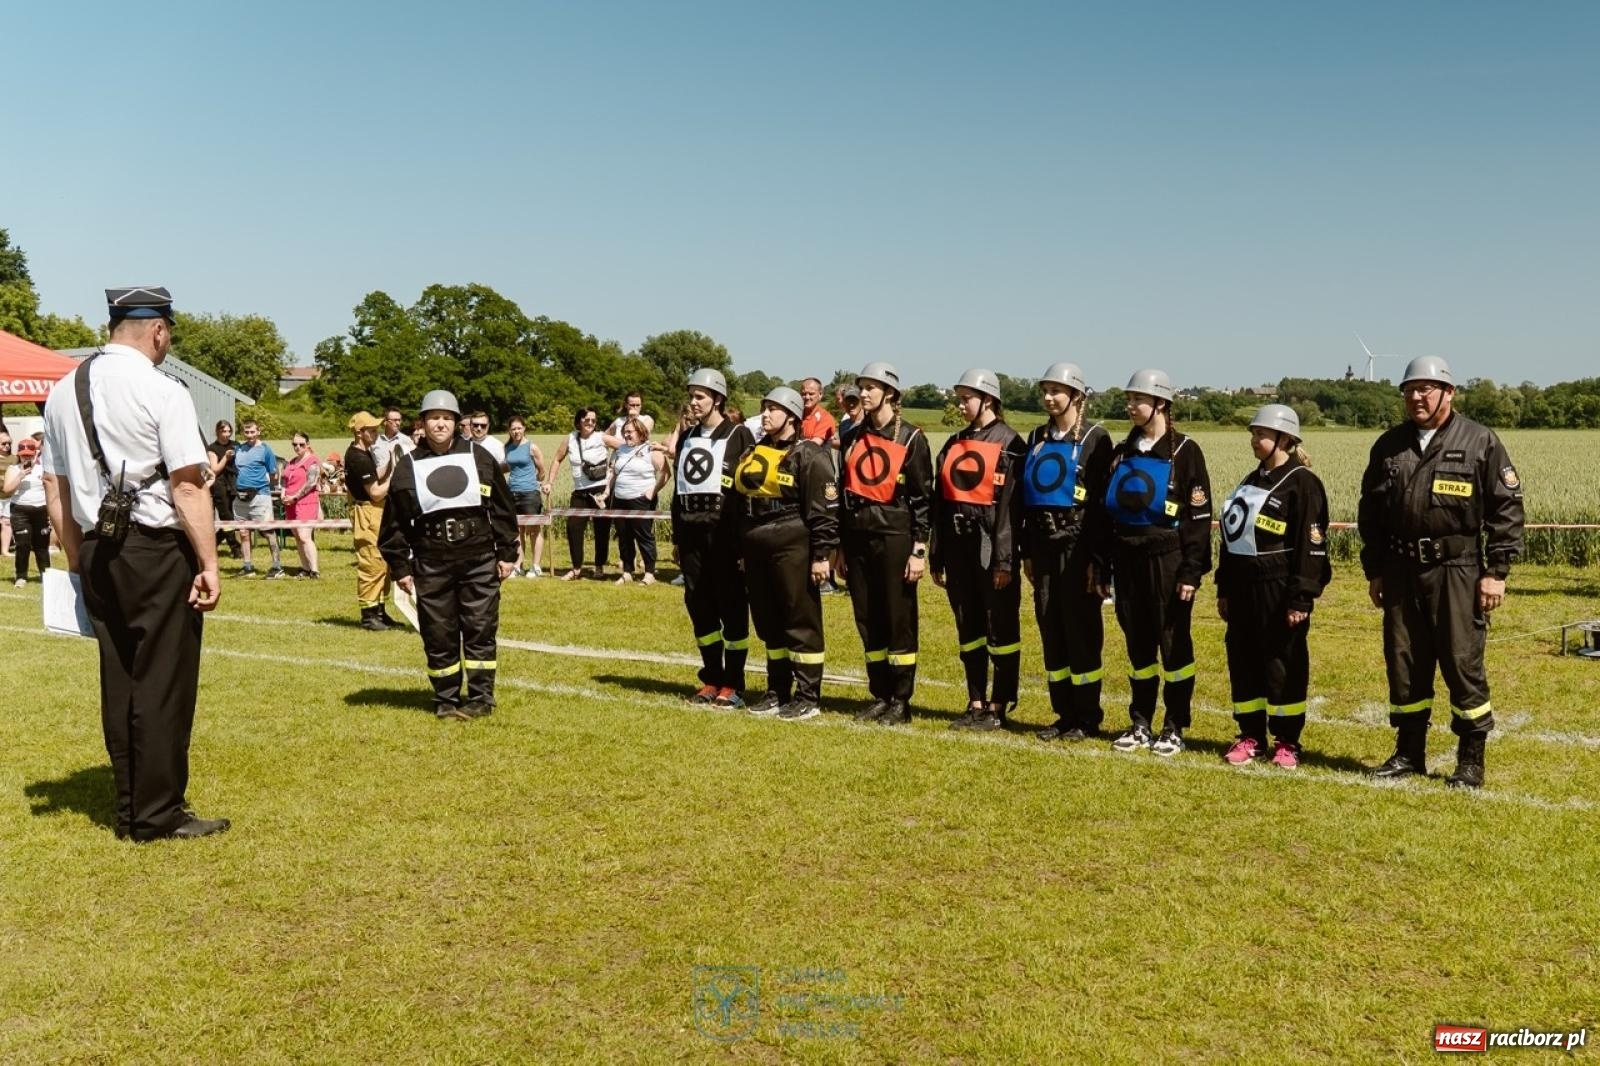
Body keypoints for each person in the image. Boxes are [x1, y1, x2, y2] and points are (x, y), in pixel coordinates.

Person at [41, 285, 227, 841]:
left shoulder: (62, 390)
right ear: (159, 331)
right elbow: (188, 486)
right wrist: (209, 563)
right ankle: (157, 813)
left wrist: (77, 557)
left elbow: (54, 483)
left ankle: (129, 809)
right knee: (162, 679)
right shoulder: (161, 388)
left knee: (120, 677)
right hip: (152, 547)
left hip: (96, 546)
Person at [1358, 356, 1523, 789]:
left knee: (1461, 661)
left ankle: (1470, 759)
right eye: (1410, 390)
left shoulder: (1479, 441)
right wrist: (1375, 568)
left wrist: (1496, 571)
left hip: (1458, 570)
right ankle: (1408, 753)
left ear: (1448, 393)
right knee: (1405, 661)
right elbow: (1369, 512)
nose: (1416, 397)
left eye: (1426, 389)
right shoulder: (1389, 446)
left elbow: (1506, 510)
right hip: (1400, 570)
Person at [379, 390, 518, 720]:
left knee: (479, 629)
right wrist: (401, 567)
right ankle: (446, 698)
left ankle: (482, 697)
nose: (440, 424)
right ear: (422, 424)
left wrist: (507, 553)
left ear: (457, 423)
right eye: (433, 418)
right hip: (431, 564)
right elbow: (393, 524)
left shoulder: (480, 457)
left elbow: (502, 508)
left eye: (446, 418)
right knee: (438, 634)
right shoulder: (407, 466)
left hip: (480, 561)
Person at [1103, 369, 1213, 757]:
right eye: (1129, 399)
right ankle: (1140, 722)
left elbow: (1199, 520)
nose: (1131, 406)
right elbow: (1105, 517)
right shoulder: (1121, 453)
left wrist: (1191, 572)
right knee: (1138, 645)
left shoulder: (1186, 452)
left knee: (1173, 645)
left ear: (1161, 404)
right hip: (1126, 558)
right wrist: (1103, 567)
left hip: (1168, 559)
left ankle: (1174, 725)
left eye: (1138, 399)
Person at [1216, 405, 1331, 768]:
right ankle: (1250, 735)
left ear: (1284, 439)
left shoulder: (1303, 483)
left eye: (1261, 434)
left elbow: (1311, 547)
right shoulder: (1250, 480)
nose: (1254, 440)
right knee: (1243, 659)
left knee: (1282, 663)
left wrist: (1301, 597)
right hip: (1243, 586)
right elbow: (1230, 536)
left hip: (1279, 588)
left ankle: (1287, 740)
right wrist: (1224, 587)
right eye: (1252, 433)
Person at [732, 385, 839, 721]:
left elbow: (823, 510)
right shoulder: (755, 449)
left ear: (791, 416)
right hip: (757, 540)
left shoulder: (809, 454)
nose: (765, 415)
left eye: (773, 409)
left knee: (799, 619)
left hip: (793, 539)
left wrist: (822, 555)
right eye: (764, 408)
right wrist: (744, 548)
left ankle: (808, 695)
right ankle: (777, 690)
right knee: (769, 621)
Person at [834, 362, 933, 725]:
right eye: (862, 387)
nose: (864, 393)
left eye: (872, 387)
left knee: (898, 619)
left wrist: (918, 549)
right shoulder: (852, 437)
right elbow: (844, 495)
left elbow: (923, 499)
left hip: (895, 537)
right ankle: (880, 694)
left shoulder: (911, 438)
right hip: (857, 538)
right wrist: (841, 547)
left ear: (890, 393)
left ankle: (901, 701)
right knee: (867, 618)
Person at [1020, 362, 1115, 742]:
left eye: (1057, 390)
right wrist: (1027, 549)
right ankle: (1063, 712)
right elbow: (1028, 498)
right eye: (1045, 389)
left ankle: (1087, 716)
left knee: (1081, 631)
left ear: (1076, 395)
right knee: (1051, 629)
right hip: (1042, 547)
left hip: (1077, 548)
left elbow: (1101, 507)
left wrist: (1097, 560)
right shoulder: (1037, 437)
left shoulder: (1096, 438)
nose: (1048, 397)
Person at [930, 369, 1028, 731]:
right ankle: (975, 700)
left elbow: (1009, 511)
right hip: (959, 548)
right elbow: (941, 501)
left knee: (999, 628)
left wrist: (1004, 560)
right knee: (967, 625)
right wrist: (937, 553)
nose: (960, 404)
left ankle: (999, 705)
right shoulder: (953, 442)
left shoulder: (1011, 444)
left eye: (966, 397)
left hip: (992, 550)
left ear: (987, 399)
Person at [666, 369, 755, 706]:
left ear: (717, 398)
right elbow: (679, 490)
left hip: (725, 538)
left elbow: (749, 493)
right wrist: (677, 538)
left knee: (732, 609)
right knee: (700, 608)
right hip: (691, 536)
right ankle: (711, 678)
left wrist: (744, 542)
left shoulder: (739, 435)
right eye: (691, 396)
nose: (694, 402)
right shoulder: (687, 437)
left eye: (700, 396)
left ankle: (734, 683)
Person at [345, 411, 400, 631]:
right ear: (360, 433)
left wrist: (389, 466)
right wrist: (394, 477)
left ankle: (379, 611)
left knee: (383, 563)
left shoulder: (361, 453)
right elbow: (376, 492)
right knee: (372, 562)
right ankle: (369, 615)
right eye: (371, 429)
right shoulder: (357, 458)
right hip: (368, 513)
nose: (376, 432)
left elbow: (373, 475)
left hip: (375, 513)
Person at [549, 408, 611, 579]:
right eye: (586, 419)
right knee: (573, 527)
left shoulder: (601, 437)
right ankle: (576, 568)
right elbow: (556, 459)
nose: (590, 422)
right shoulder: (570, 439)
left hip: (600, 491)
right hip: (580, 492)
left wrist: (613, 466)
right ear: (579, 421)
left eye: (593, 420)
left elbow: (625, 446)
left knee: (602, 530)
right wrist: (550, 482)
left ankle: (599, 567)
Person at [605, 416, 668, 584]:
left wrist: (652, 491)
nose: (626, 435)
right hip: (620, 498)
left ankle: (649, 572)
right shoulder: (621, 450)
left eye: (629, 432)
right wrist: (606, 492)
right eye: (624, 432)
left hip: (641, 500)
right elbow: (614, 472)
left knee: (644, 536)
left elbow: (665, 474)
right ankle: (627, 571)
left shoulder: (651, 450)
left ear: (641, 432)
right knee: (624, 536)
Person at [231, 419, 283, 578]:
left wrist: (262, 484)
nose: (249, 435)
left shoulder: (265, 450)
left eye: (252, 432)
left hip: (260, 496)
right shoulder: (239, 449)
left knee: (267, 532)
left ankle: (277, 567)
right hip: (241, 497)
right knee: (243, 532)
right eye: (246, 432)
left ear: (258, 431)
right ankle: (248, 567)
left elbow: (274, 473)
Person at [3, 436, 51, 585]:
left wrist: (50, 513)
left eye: (29, 455)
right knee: (22, 545)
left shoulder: (43, 469)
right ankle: (21, 576)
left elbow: (50, 491)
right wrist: (21, 475)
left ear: (35, 454)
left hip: (40, 509)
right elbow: (7, 490)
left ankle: (46, 575)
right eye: (23, 455)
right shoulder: (13, 469)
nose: (26, 458)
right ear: (19, 454)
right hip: (20, 510)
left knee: (42, 545)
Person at [504, 415, 548, 577]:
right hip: (512, 492)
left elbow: (541, 471)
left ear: (524, 429)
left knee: (533, 529)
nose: (516, 431)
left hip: (530, 493)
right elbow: (508, 467)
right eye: (513, 429)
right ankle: (518, 565)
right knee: (517, 531)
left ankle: (535, 566)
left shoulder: (532, 447)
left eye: (519, 428)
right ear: (509, 431)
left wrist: (536, 483)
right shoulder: (507, 447)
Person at [281, 430, 322, 579]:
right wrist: (283, 494)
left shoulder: (313, 461)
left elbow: (311, 483)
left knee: (305, 536)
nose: (298, 447)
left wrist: (294, 497)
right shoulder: (291, 462)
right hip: (289, 504)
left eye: (301, 444)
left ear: (307, 445)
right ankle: (305, 568)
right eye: (295, 444)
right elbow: (284, 479)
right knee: (297, 537)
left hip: (306, 502)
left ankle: (314, 570)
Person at [206, 420, 241, 559]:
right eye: (223, 431)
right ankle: (235, 548)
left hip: (234, 482)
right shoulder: (212, 448)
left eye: (228, 431)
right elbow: (214, 470)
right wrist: (226, 458)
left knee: (232, 517)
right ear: (217, 432)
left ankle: (213, 542)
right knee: (226, 516)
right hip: (219, 484)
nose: (226, 434)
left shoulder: (236, 445)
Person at [371, 406, 415, 472]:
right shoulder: (374, 441)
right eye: (394, 420)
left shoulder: (407, 441)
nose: (398, 423)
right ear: (385, 422)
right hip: (380, 480)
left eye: (399, 420)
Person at [798, 377, 838, 447]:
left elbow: (813, 445)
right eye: (803, 394)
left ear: (820, 395)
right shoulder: (796, 415)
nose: (807, 397)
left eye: (811, 394)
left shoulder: (825, 418)